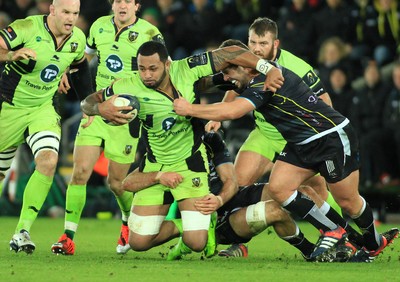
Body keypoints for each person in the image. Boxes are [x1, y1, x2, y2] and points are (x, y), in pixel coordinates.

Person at [173, 39, 399, 263]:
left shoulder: (267, 81)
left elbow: (233, 111)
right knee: (279, 187)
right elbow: (208, 82)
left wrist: (190, 109)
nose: (225, 78)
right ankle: (336, 232)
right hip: (300, 143)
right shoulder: (247, 76)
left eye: (228, 72)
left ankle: (373, 243)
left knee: (348, 201)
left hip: (329, 138)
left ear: (245, 66)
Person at [79, 40, 284, 257]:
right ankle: (183, 224)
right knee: (138, 242)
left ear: (167, 64)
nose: (146, 75)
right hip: (154, 163)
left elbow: (231, 52)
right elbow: (88, 102)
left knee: (197, 243)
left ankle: (199, 227)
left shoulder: (187, 68)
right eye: (141, 69)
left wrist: (267, 68)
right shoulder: (128, 86)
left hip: (190, 162)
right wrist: (101, 108)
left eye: (152, 68)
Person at [51, 0, 165, 256]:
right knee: (79, 172)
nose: (122, 5)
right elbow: (85, 56)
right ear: (112, 5)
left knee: (117, 183)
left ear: (137, 6)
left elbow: (161, 72)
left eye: (128, 1)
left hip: (126, 115)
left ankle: (126, 223)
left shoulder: (150, 33)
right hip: (97, 109)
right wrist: (65, 69)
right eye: (118, 1)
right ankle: (68, 236)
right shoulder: (98, 27)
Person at [206, 17, 342, 220]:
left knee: (318, 191)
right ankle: (239, 242)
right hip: (265, 134)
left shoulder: (296, 66)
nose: (256, 49)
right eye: (252, 42)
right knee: (236, 185)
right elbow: (236, 83)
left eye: (263, 44)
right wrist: (220, 116)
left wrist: (318, 136)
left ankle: (344, 235)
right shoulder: (246, 60)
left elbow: (325, 102)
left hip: (296, 139)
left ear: (275, 44)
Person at [123, 130, 321, 261]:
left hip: (228, 198)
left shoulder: (210, 140)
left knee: (302, 190)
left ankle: (336, 237)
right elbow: (128, 182)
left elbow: (231, 182)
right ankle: (311, 251)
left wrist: (219, 199)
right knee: (275, 212)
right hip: (216, 217)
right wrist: (159, 177)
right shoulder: (162, 150)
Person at [0, 0, 91, 254]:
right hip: (9, 107)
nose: (70, 18)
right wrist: (11, 54)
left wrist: (88, 103)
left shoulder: (77, 38)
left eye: (75, 13)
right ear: (52, 11)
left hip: (43, 109)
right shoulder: (27, 27)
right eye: (65, 12)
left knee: (49, 161)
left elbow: (80, 65)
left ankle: (22, 231)